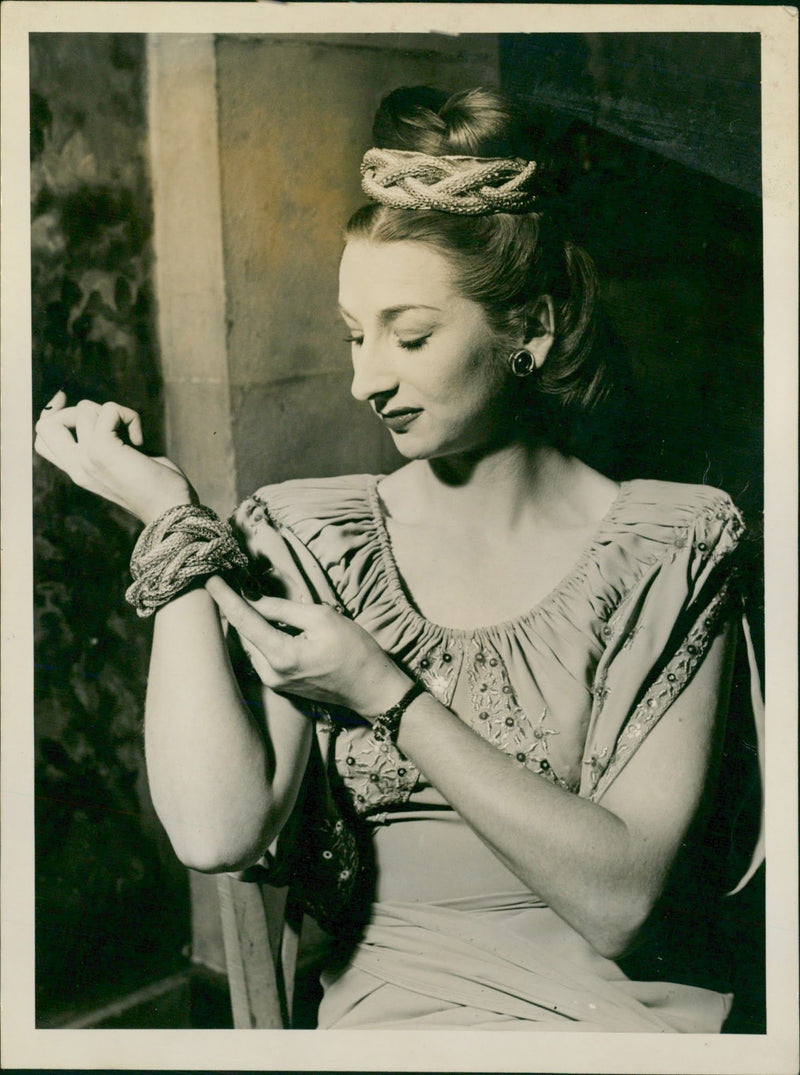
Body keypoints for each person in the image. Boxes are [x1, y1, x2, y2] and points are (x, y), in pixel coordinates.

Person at [33, 86, 763, 1032]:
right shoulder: (314, 537)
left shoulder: (673, 543)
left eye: (409, 335)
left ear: (530, 331)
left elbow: (620, 903)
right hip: (396, 1009)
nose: (364, 378)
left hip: (620, 1015)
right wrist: (172, 523)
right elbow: (216, 832)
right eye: (353, 333)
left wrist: (386, 690)